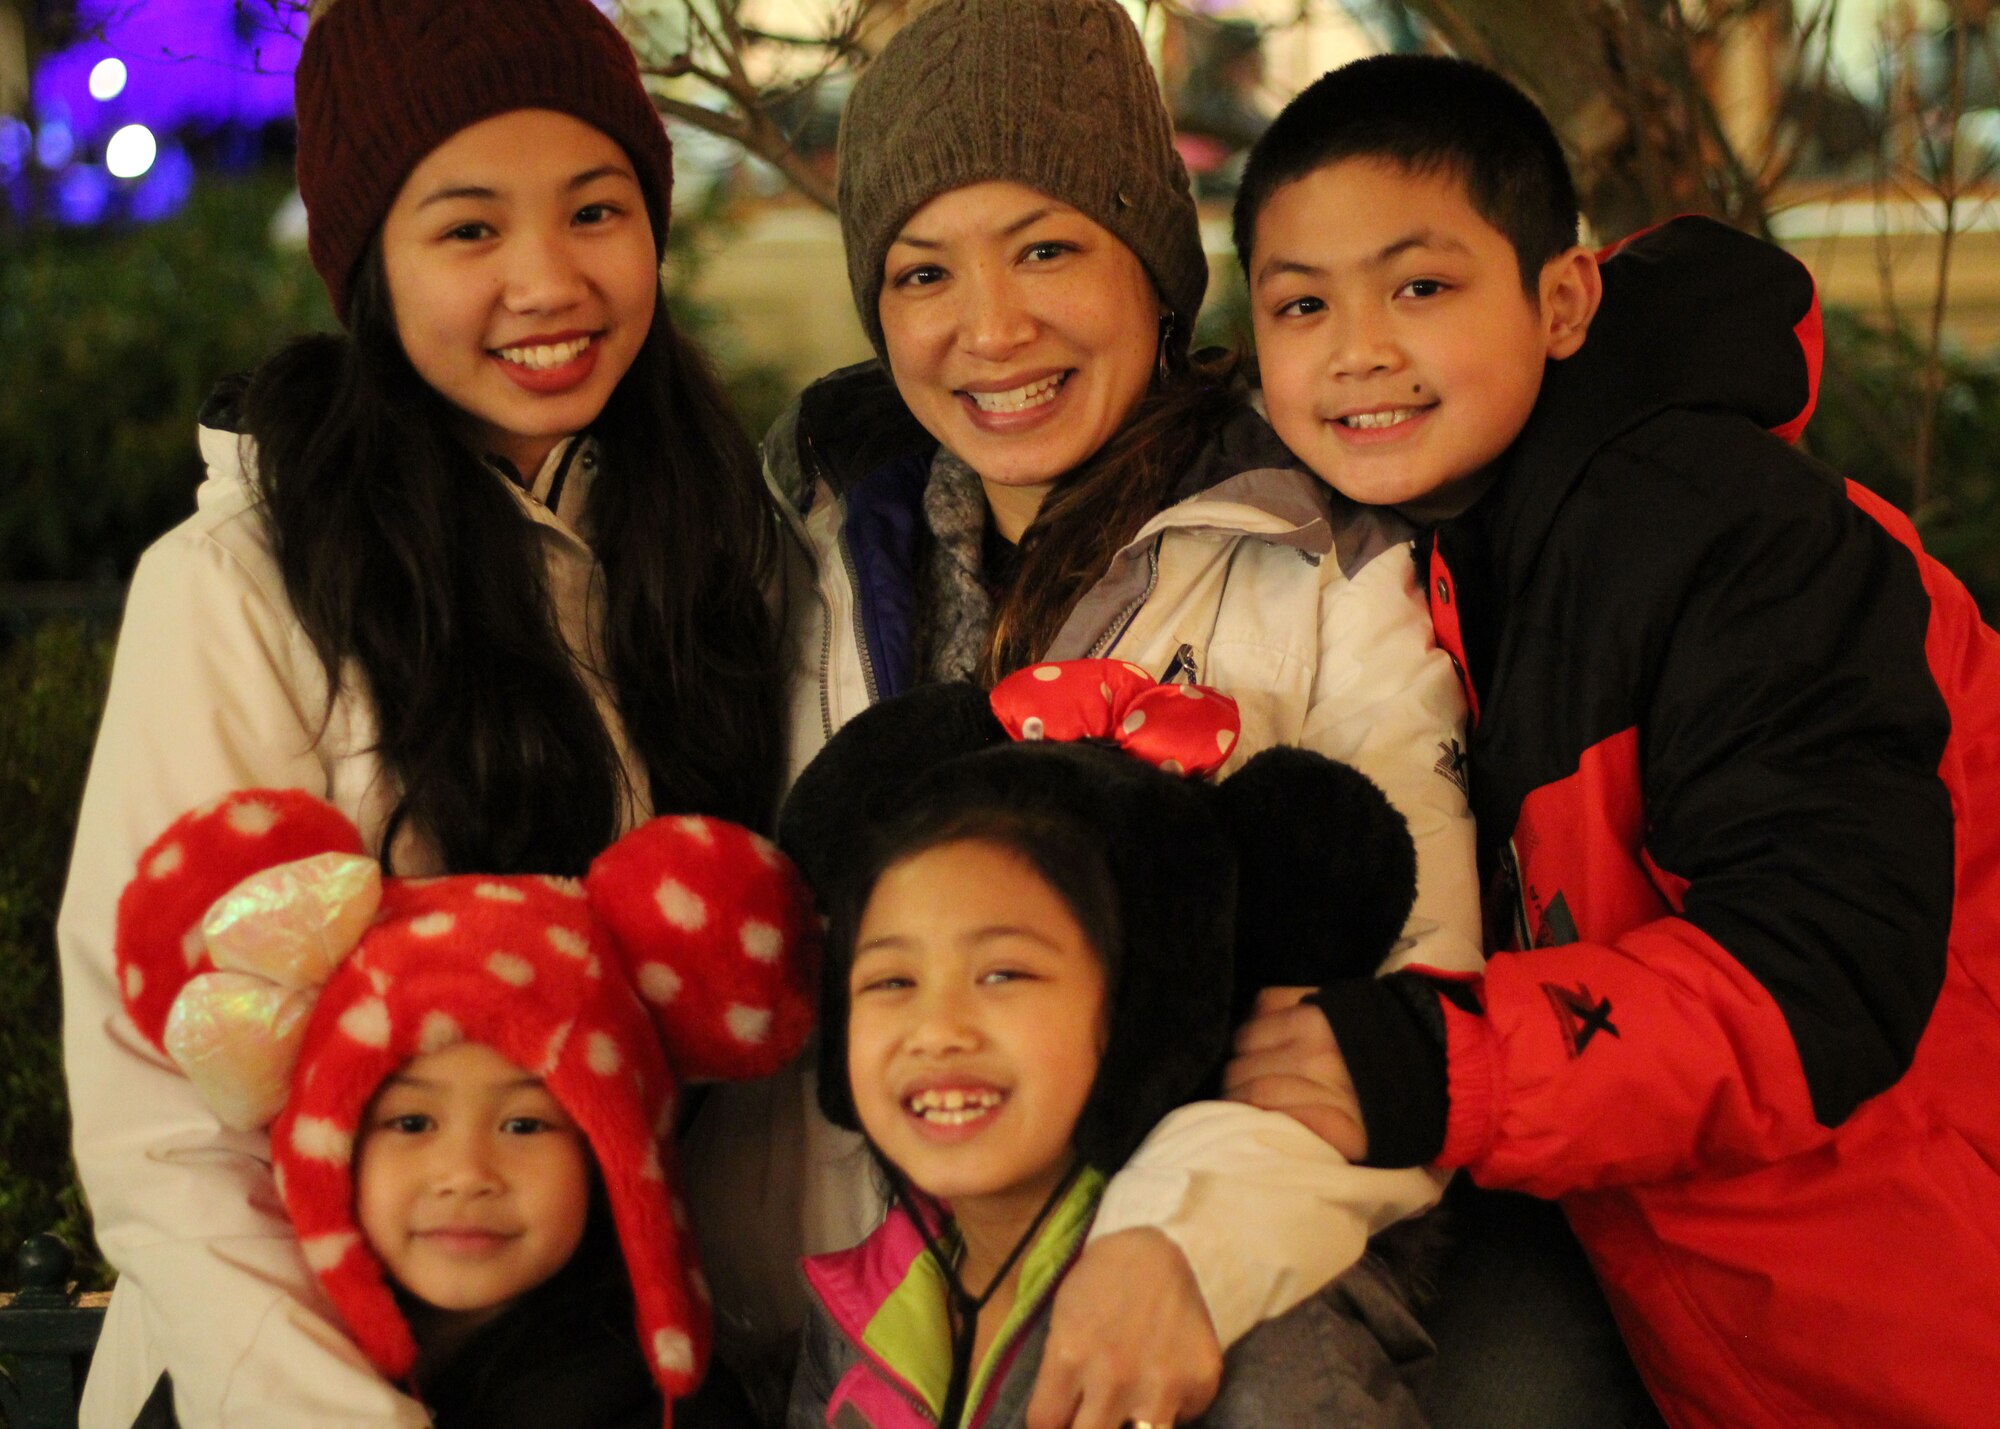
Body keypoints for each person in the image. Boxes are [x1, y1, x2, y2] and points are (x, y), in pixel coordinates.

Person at [675, 3, 1483, 1423]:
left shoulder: (1318, 553)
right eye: (926, 271)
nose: (992, 329)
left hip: (1227, 1292)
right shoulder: (816, 547)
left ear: (1156, 268)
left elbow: (1403, 1000)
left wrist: (1175, 1239)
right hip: (877, 1306)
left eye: (1048, 246)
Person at [1227, 52, 2000, 1428]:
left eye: (1421, 286)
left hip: (1932, 1306)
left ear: (1563, 299)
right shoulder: (1428, 567)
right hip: (1737, 1333)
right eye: (1303, 303)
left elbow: (1819, 970)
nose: (1359, 348)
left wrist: (1439, 1062)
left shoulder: (1734, 536)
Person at [56, 1, 784, 1423]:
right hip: (301, 1374)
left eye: (596, 209)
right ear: (366, 267)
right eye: (466, 229)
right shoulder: (240, 583)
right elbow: (163, 1121)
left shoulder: (726, 542)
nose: (547, 279)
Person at [776, 662, 1440, 1429]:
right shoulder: (843, 1320)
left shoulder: (1256, 1333)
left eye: (1003, 971)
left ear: (1139, 1012)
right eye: (891, 980)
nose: (937, 1028)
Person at [109, 790, 818, 1429]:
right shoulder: (250, 1377)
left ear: (613, 1149)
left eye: (524, 1123)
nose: (466, 1172)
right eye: (411, 1121)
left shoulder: (670, 1411)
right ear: (326, 1145)